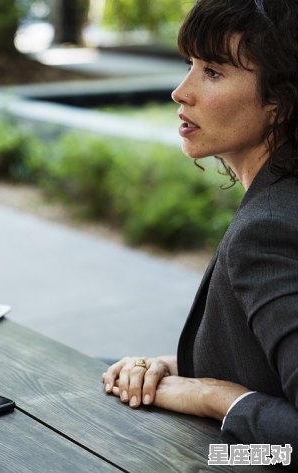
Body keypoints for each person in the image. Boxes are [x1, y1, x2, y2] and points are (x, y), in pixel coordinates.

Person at [102, 0, 297, 451]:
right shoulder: (280, 199)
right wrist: (171, 369)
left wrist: (213, 397)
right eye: (190, 64)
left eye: (213, 71)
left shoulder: (268, 232)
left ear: (280, 100)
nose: (180, 91)